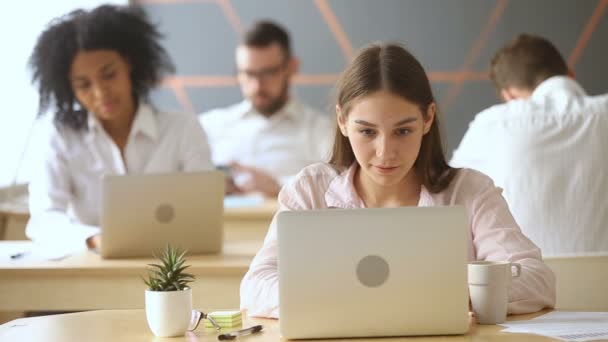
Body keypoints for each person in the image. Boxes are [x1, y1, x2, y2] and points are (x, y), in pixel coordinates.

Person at [240, 43, 556, 319]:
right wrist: (353, 300)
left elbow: (536, 279)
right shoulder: (310, 190)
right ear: (342, 121)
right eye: (367, 131)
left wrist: (450, 296)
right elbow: (256, 286)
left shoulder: (470, 191)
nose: (385, 152)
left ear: (428, 118)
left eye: (403, 131)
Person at [26, 5, 213, 252]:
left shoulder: (182, 129)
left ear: (130, 64)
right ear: (68, 88)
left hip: (174, 264)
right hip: (93, 268)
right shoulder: (59, 138)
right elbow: (43, 220)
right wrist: (95, 239)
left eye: (109, 74)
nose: (101, 93)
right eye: (84, 85)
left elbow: (205, 211)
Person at [451, 34, 608, 256]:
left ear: (509, 95)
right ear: (570, 75)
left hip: (520, 284)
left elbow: (447, 196)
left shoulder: (494, 123)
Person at [200, 20, 331, 198]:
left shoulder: (321, 131)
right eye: (248, 74)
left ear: (292, 67)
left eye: (268, 73)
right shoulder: (209, 125)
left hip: (286, 224)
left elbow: (339, 188)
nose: (257, 85)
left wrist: (279, 186)